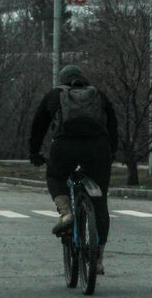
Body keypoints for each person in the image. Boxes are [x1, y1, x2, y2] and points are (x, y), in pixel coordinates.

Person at [29, 65, 118, 273]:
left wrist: (34, 152)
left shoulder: (55, 95)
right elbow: (113, 124)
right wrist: (111, 151)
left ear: (62, 80)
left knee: (55, 175)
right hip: (98, 148)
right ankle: (97, 259)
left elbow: (38, 125)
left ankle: (67, 213)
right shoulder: (99, 95)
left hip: (65, 146)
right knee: (100, 201)